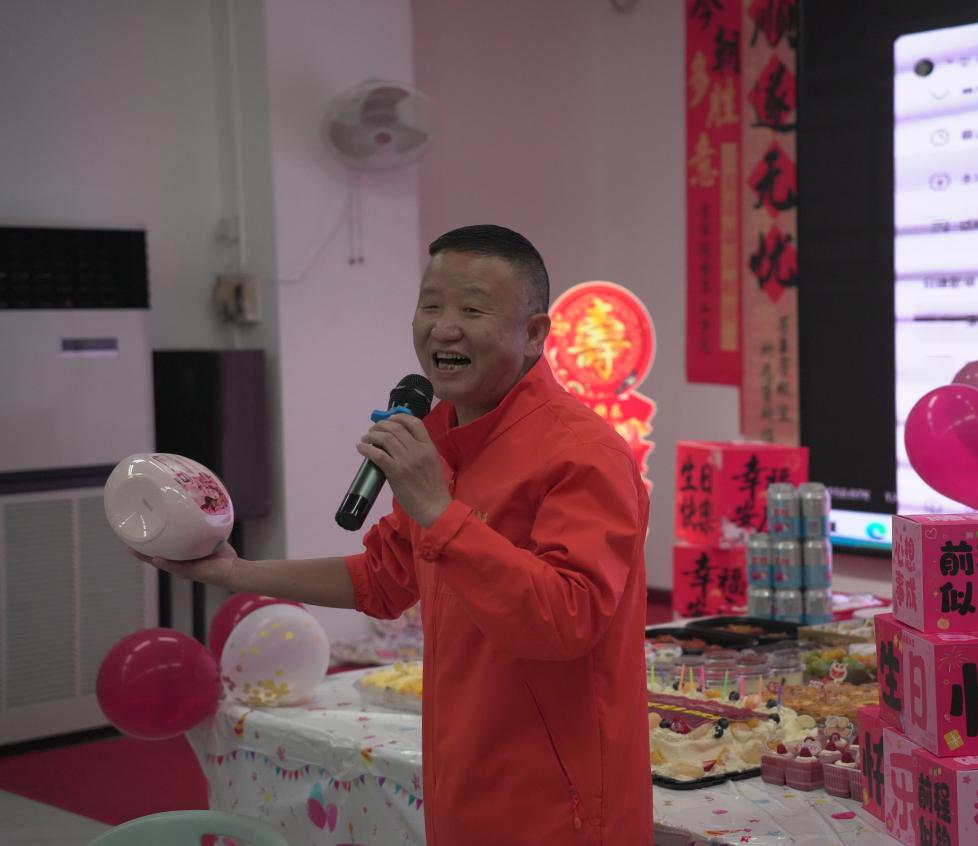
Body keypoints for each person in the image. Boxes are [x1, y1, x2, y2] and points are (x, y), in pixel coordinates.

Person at [140, 225, 653, 845]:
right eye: (430, 305)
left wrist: (439, 510)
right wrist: (234, 571)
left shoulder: (584, 453)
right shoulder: (438, 436)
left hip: (558, 804)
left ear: (535, 333)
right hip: (461, 779)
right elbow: (382, 579)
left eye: (473, 310)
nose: (444, 328)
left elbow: (568, 619)